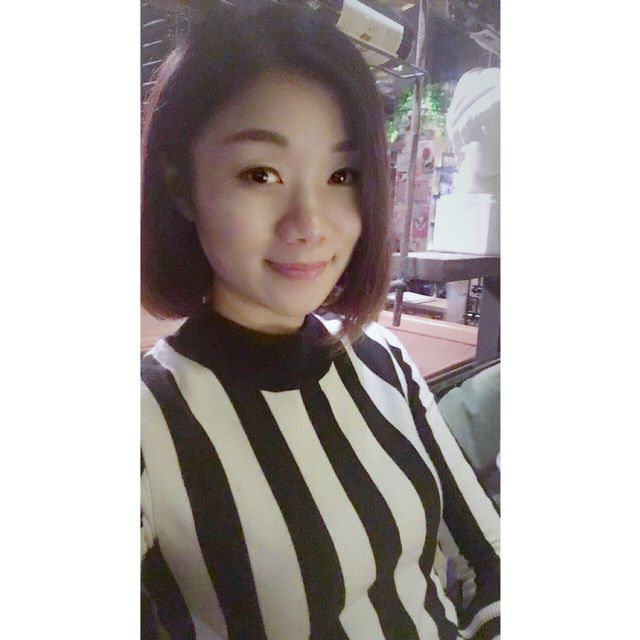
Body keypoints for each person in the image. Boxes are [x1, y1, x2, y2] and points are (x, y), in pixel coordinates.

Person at [141, 2, 500, 639]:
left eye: (342, 174)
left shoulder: (383, 357)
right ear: (180, 185)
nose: (309, 224)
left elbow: (488, 556)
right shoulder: (148, 421)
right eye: (260, 173)